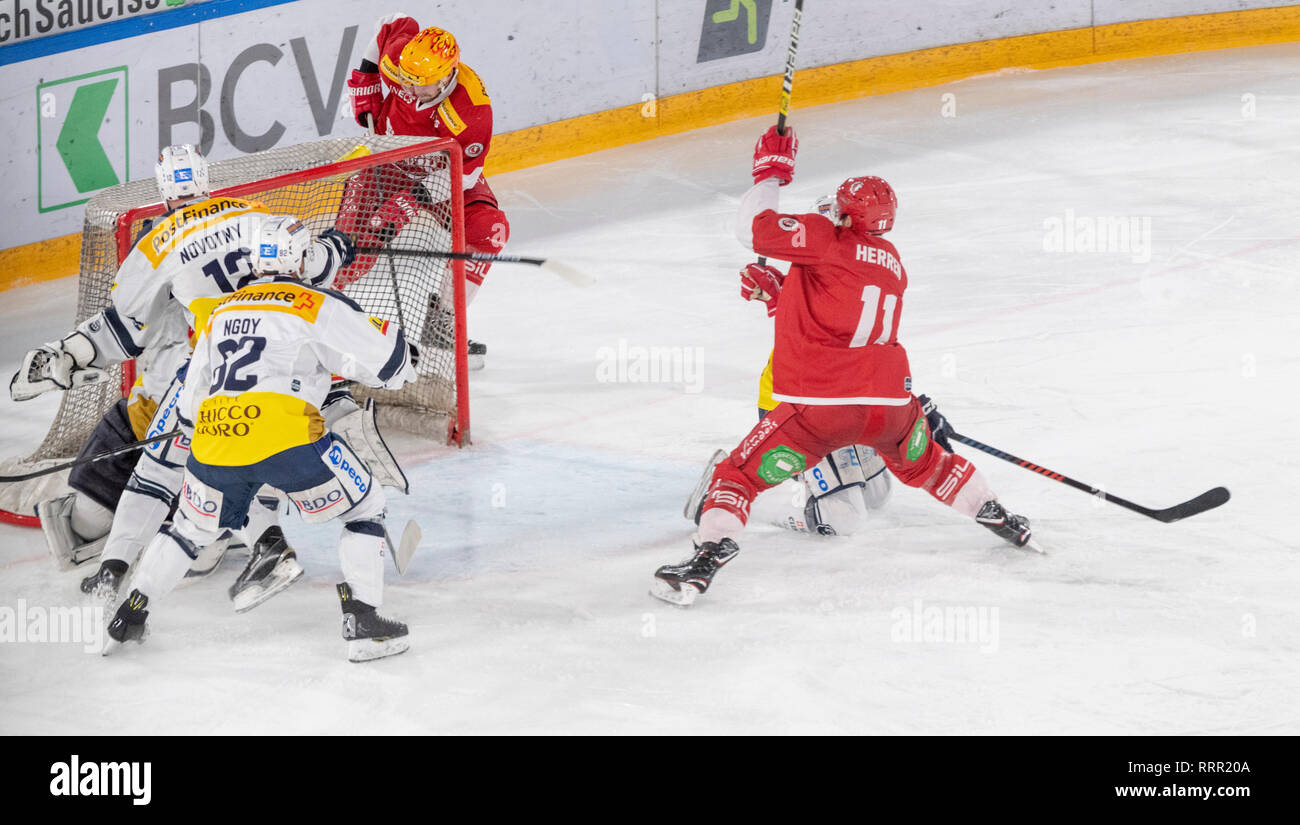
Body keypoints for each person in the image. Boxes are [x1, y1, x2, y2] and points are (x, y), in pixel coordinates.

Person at [651, 125, 1033, 606]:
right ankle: (995, 512)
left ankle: (709, 554)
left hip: (821, 407)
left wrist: (769, 174)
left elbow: (752, 230)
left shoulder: (824, 237)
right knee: (930, 466)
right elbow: (840, 318)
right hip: (890, 407)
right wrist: (781, 293)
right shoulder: (893, 264)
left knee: (744, 478)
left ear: (847, 214)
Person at [10, 145, 353, 607]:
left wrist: (66, 356)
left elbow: (123, 332)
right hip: (289, 373)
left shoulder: (159, 243)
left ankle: (119, 567)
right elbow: (313, 265)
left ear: (166, 193)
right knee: (255, 457)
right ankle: (268, 540)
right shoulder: (253, 215)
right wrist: (336, 247)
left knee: (157, 471)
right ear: (207, 182)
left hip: (217, 368)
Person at [104, 216, 417, 662]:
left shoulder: (222, 312)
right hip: (285, 437)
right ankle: (363, 621)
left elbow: (191, 403)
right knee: (364, 508)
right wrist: (406, 358)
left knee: (188, 529)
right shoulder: (310, 302)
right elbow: (385, 362)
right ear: (301, 258)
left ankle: (130, 615)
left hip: (214, 440)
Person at [342, 13, 510, 367]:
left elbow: (463, 176)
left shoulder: (471, 111)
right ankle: (309, 322)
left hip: (440, 175)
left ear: (448, 73)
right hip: (385, 164)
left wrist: (409, 202)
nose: (412, 90)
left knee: (489, 230)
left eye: (423, 84)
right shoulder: (405, 62)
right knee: (347, 254)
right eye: (408, 81)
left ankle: (442, 324)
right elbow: (391, 22)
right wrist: (366, 80)